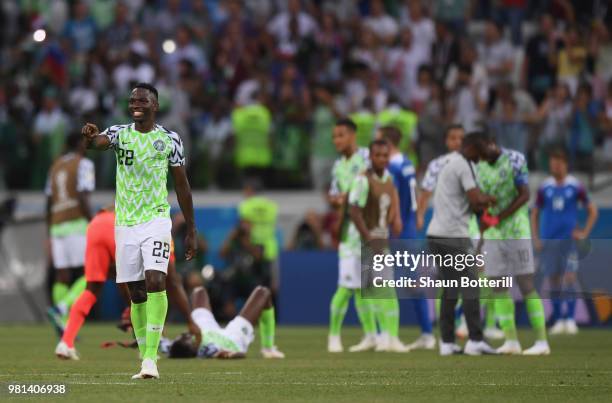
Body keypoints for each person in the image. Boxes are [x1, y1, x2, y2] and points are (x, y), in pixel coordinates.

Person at [81, 82, 197, 379]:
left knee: (157, 280)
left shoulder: (170, 140)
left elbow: (182, 186)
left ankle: (150, 360)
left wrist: (191, 229)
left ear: (154, 105)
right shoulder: (120, 134)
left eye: (143, 100)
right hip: (126, 224)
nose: (137, 103)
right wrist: (90, 138)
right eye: (133, 99)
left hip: (157, 221)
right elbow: (98, 143)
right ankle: (146, 353)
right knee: (136, 292)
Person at [54, 206, 199, 360]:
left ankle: (66, 342)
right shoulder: (159, 227)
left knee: (92, 289)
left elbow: (123, 282)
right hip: (120, 226)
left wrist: (132, 309)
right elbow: (173, 282)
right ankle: (147, 350)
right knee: (155, 280)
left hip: (96, 224)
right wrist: (191, 321)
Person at [475, 135, 550, 355]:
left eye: (482, 153)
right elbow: (485, 199)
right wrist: (488, 215)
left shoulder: (514, 159)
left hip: (517, 230)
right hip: (495, 234)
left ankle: (542, 342)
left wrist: (500, 216)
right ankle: (511, 341)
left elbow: (525, 194)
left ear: (492, 144)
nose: (481, 158)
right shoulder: (480, 167)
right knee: (498, 286)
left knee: (526, 284)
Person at [426, 132, 497, 356]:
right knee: (470, 286)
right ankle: (475, 340)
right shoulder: (463, 165)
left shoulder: (455, 164)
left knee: (450, 290)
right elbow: (476, 199)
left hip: (437, 234)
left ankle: (446, 343)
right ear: (474, 147)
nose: (487, 151)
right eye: (484, 146)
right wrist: (493, 199)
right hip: (452, 235)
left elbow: (471, 204)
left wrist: (482, 213)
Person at [377, 126, 434, 350]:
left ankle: (389, 335)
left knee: (390, 280)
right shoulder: (407, 162)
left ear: (387, 143)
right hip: (408, 226)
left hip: (397, 227)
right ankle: (426, 333)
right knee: (409, 280)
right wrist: (417, 215)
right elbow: (415, 192)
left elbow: (392, 197)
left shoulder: (392, 166)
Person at [348, 139, 408, 352]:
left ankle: (391, 337)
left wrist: (396, 218)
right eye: (378, 155)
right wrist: (368, 238)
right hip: (365, 243)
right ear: (371, 157)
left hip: (381, 241)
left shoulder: (389, 178)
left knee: (385, 290)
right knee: (368, 291)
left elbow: (391, 200)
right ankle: (375, 336)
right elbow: (354, 211)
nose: (382, 159)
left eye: (385, 155)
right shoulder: (362, 180)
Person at [531, 149, 598, 335]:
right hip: (549, 241)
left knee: (569, 278)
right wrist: (536, 237)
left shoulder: (575, 186)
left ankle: (570, 319)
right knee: (553, 280)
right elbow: (535, 213)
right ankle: (559, 319)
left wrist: (584, 232)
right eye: (553, 162)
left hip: (568, 241)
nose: (555, 166)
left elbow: (592, 210)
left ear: (565, 164)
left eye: (559, 162)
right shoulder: (545, 187)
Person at [327, 118, 376, 353]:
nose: (337, 140)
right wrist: (341, 199)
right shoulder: (337, 166)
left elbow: (370, 185)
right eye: (334, 136)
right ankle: (333, 336)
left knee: (362, 287)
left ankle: (371, 335)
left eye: (341, 135)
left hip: (370, 228)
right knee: (346, 286)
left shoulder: (367, 157)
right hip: (349, 233)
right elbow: (334, 197)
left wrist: (344, 198)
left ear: (353, 135)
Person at [45, 132, 94, 333]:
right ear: (80, 144)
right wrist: (92, 221)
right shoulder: (84, 164)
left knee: (62, 275)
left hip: (57, 223)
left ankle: (62, 323)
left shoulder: (55, 166)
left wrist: (48, 231)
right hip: (76, 222)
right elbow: (82, 194)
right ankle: (61, 308)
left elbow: (48, 201)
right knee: (89, 275)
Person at [167, 285, 284, 359]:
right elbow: (236, 355)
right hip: (231, 338)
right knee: (263, 292)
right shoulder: (208, 349)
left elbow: (163, 343)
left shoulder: (172, 347)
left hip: (205, 329)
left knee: (199, 291)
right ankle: (268, 348)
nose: (185, 334)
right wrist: (229, 354)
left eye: (181, 336)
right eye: (186, 338)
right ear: (194, 348)